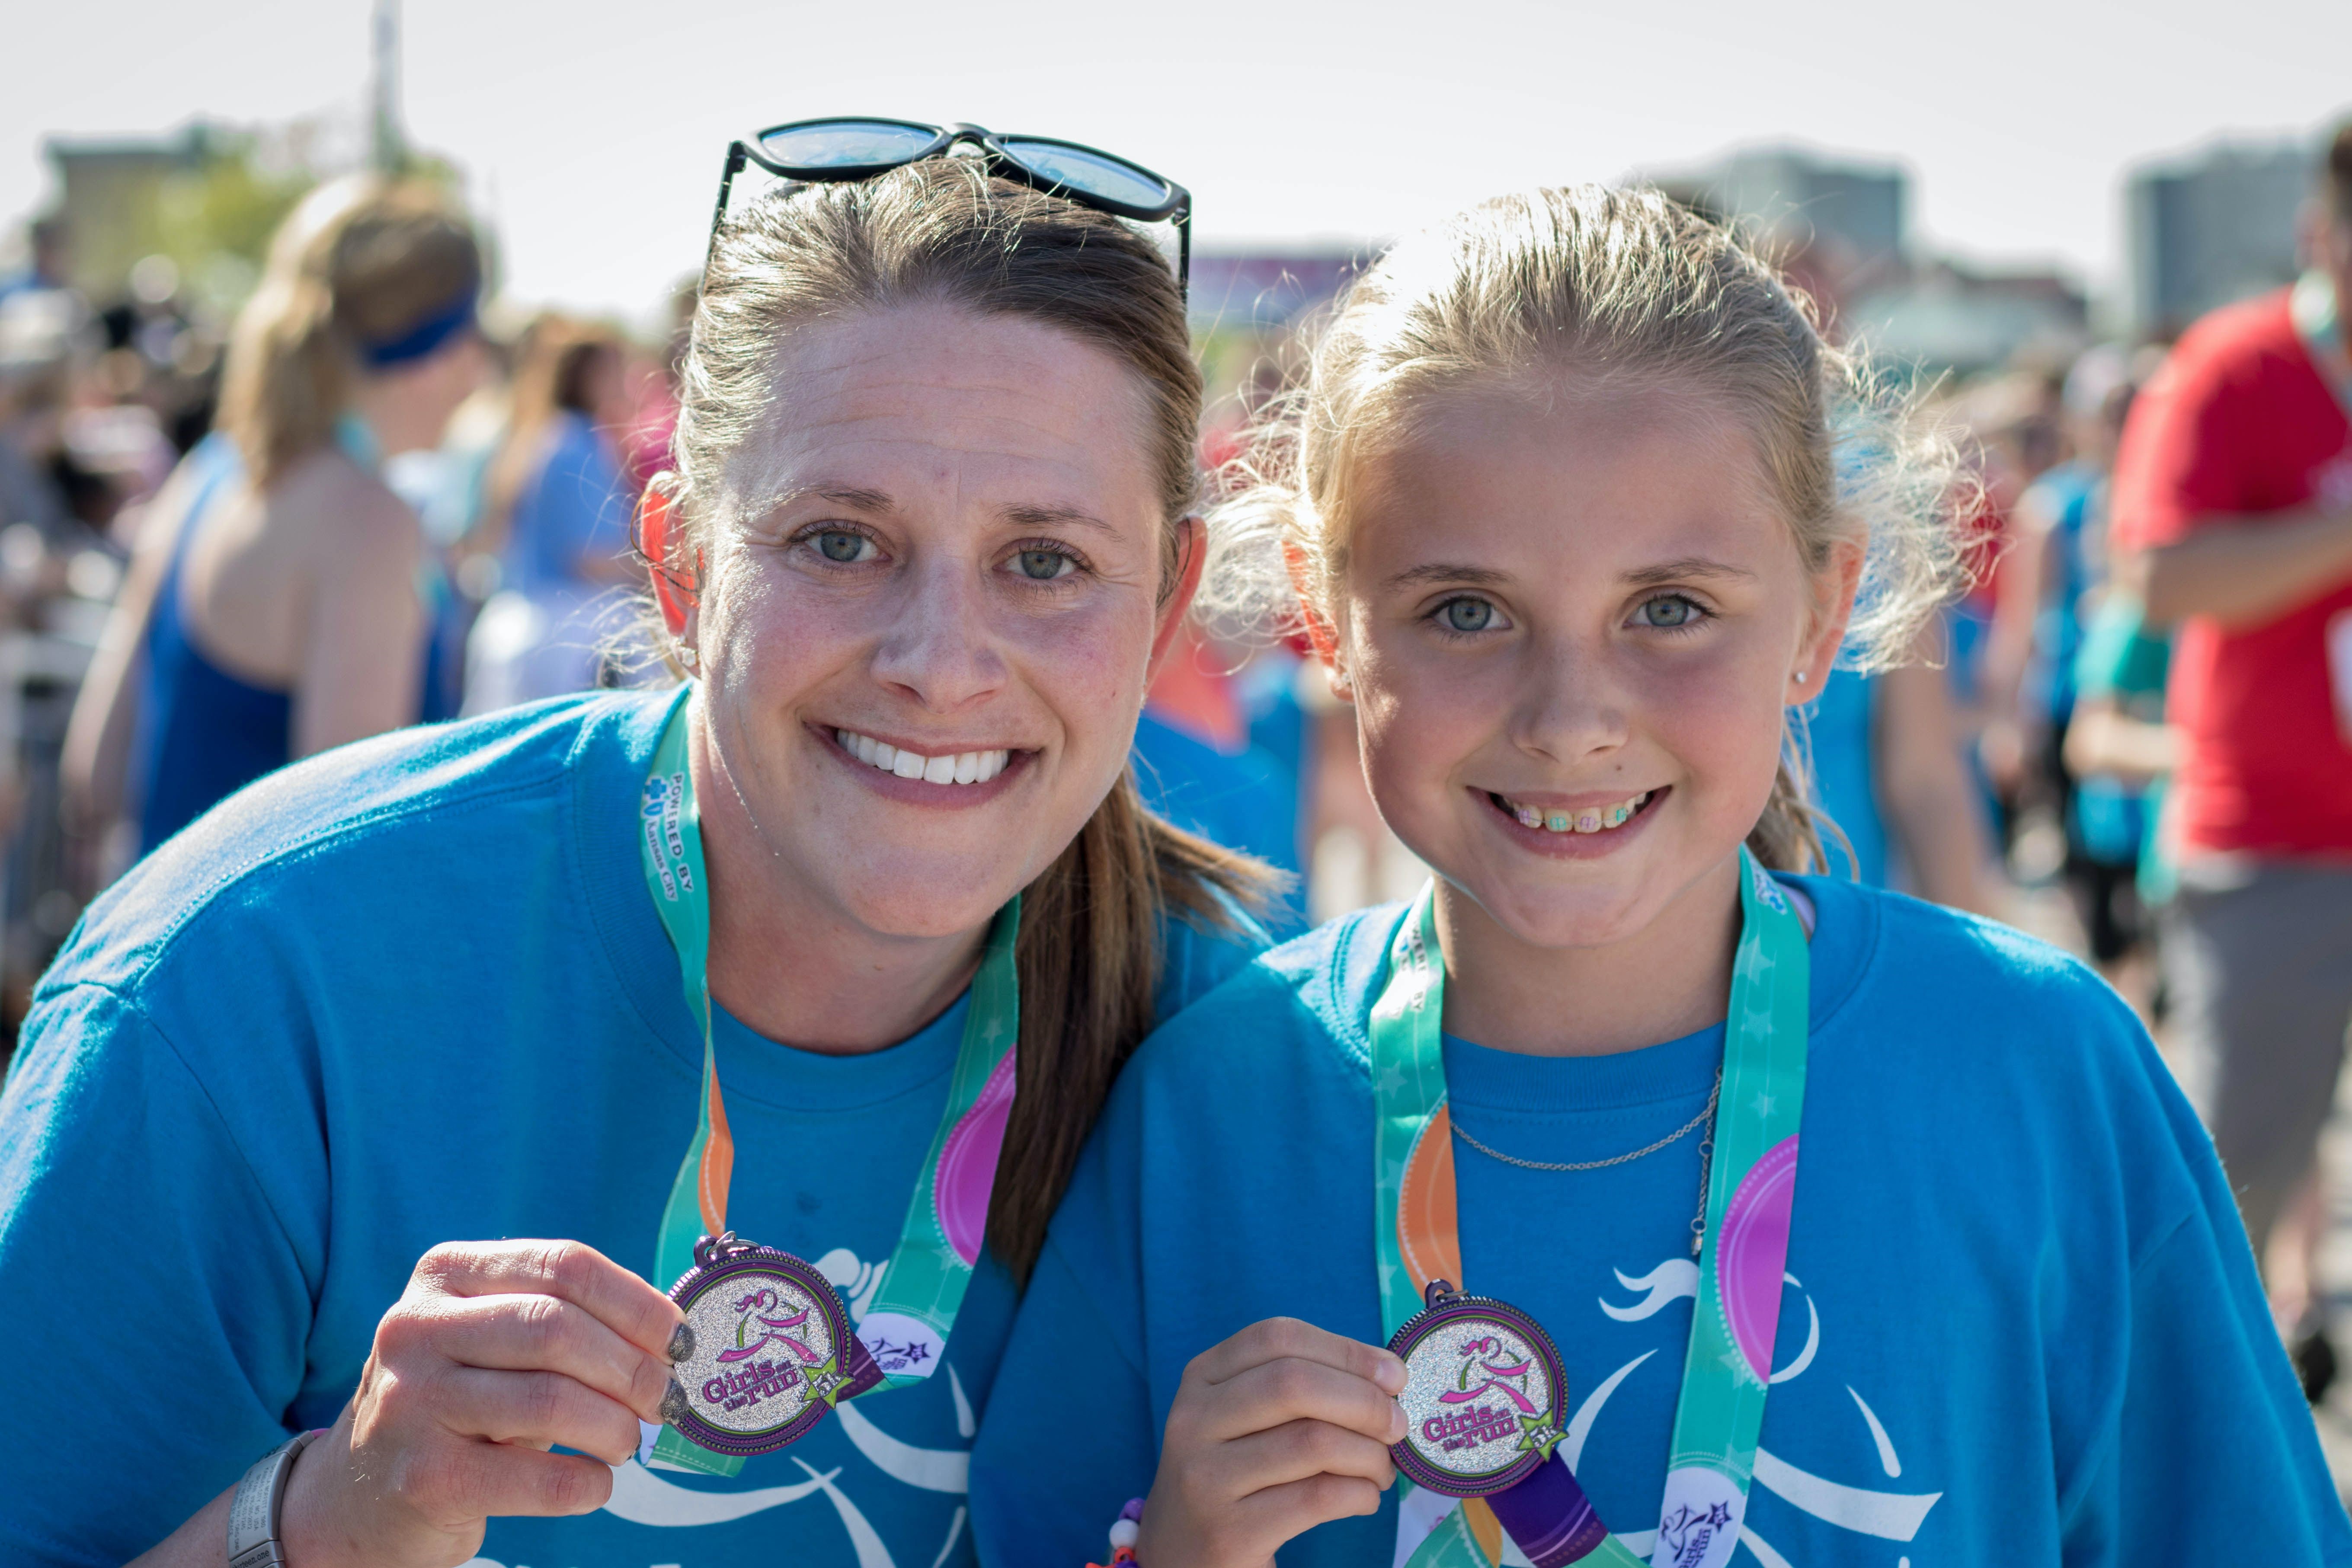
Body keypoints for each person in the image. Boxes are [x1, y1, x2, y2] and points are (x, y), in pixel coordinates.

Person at [970, 185, 2348, 1568]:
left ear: (1818, 619)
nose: (1572, 717)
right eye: (1465, 611)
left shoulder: (2039, 1074)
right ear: (1326, 628)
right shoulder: (1204, 1113)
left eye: (1669, 610)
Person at [0, 148, 1269, 1568]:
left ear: (1162, 607)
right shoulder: (250, 985)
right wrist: (327, 1517)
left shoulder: (1254, 1069)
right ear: (679, 573)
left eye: (1043, 562)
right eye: (840, 540)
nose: (938, 664)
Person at [2107, 119, 2352, 1381]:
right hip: (2270, 853)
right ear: (2321, 237)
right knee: (2225, 1205)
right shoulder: (2231, 368)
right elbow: (2159, 581)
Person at [61, 176, 485, 859]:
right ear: (432, 351)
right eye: (472, 329)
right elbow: (346, 844)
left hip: (160, 950)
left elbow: (95, 773)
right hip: (268, 965)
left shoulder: (206, 475)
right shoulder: (365, 523)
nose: (480, 367)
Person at [461, 316, 638, 712]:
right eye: (615, 369)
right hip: (561, 637)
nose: (625, 381)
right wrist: (661, 575)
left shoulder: (541, 435)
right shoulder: (578, 444)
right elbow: (588, 559)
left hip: (511, 628)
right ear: (589, 376)